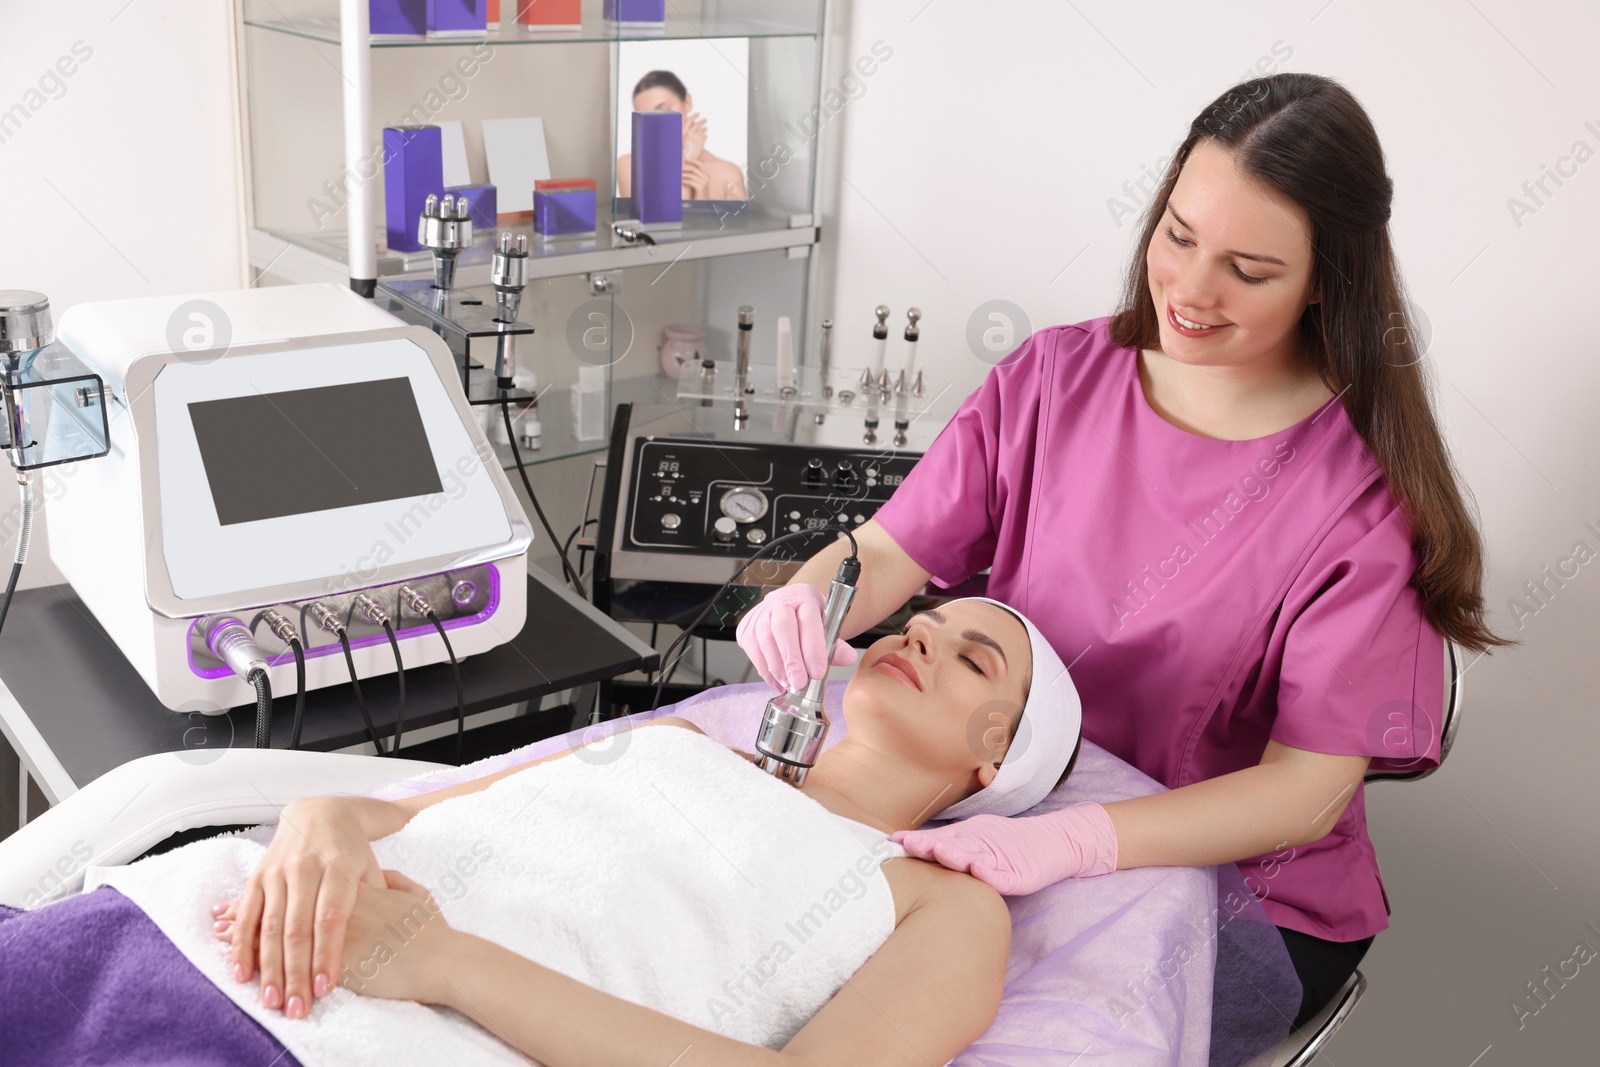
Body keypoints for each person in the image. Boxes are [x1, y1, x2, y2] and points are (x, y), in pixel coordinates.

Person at [735, 72, 1511, 1031]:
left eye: (1249, 270)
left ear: (1327, 282)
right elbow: (891, 547)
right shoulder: (1056, 378)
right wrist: (810, 599)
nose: (1189, 288)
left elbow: (1306, 790)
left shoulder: (1358, 505)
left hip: (1233, 887)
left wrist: (1082, 842)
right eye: (1178, 236)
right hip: (1010, 812)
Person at [196, 597, 1083, 1065]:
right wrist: (317, 819)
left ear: (995, 758)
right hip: (228, 927)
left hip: (378, 1034)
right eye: (919, 626)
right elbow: (392, 814)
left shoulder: (945, 904)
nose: (918, 640)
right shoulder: (676, 738)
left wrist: (439, 959)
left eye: (972, 658)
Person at [617, 69, 749, 201]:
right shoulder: (630, 165)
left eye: (664, 110)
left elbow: (737, 222)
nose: (657, 123)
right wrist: (685, 157)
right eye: (646, 117)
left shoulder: (728, 174)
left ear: (687, 102)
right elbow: (658, 220)